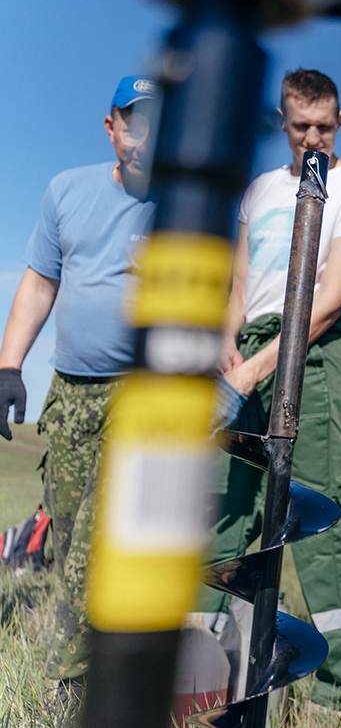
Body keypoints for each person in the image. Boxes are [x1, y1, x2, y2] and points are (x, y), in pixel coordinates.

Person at [202, 68, 341, 718]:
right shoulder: (258, 190)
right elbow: (240, 280)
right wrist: (229, 350)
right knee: (220, 510)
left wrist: (249, 375)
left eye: (325, 126)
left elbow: (327, 303)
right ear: (283, 123)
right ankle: (208, 674)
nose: (313, 138)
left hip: (314, 354)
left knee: (319, 515)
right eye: (301, 126)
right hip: (245, 353)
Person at [0, 76, 160, 711]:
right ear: (112, 126)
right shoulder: (66, 190)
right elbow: (40, 284)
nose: (145, 135)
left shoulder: (183, 204)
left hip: (141, 394)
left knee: (95, 543)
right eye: (134, 121)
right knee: (66, 536)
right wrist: (9, 367)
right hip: (69, 396)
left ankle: (70, 687)